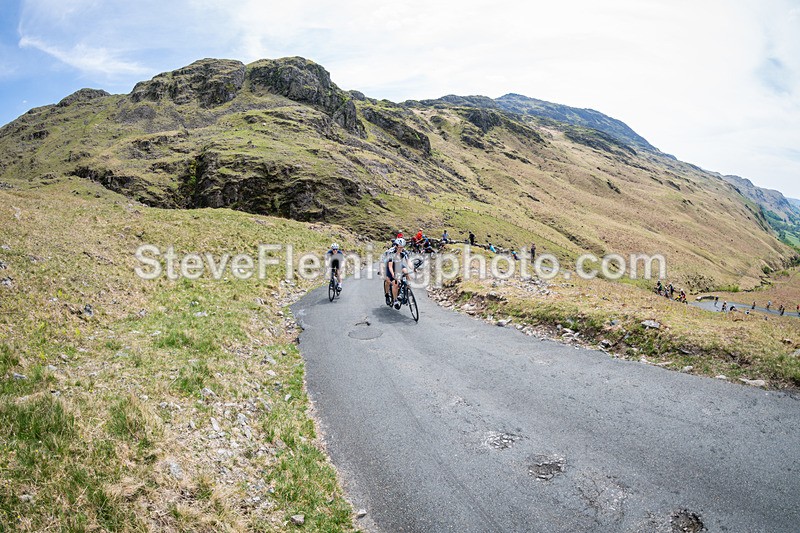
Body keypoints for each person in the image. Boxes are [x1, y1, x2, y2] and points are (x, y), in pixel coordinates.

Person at [385, 238, 410, 309]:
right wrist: (393, 275)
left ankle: (407, 289)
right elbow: (390, 266)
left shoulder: (404, 251)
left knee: (406, 272)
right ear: (396, 246)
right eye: (399, 247)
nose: (401, 249)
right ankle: (392, 298)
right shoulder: (391, 252)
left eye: (402, 247)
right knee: (394, 283)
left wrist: (414, 268)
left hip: (398, 264)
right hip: (390, 265)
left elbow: (408, 262)